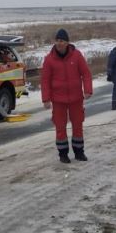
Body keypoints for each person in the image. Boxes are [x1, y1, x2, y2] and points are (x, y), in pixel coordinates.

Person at [41, 28, 93, 163]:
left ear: (67, 43)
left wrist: (87, 90)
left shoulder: (77, 56)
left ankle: (79, 152)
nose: (59, 43)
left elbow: (86, 74)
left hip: (76, 99)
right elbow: (45, 80)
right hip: (58, 100)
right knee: (60, 127)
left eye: (62, 41)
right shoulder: (49, 59)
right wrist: (46, 99)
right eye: (57, 40)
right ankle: (63, 154)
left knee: (78, 125)